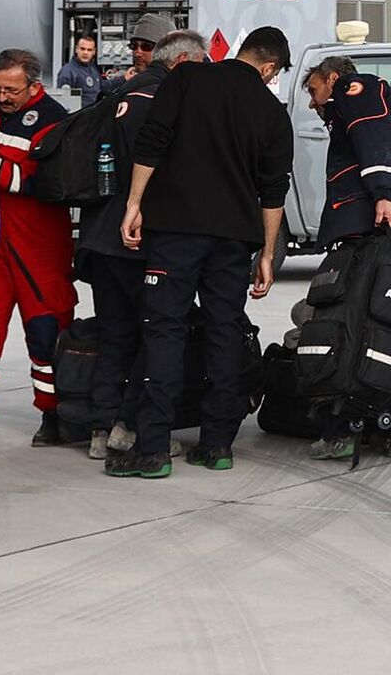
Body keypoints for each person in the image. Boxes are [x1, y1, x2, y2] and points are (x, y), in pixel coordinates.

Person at [116, 25, 294, 478]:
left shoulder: (187, 78)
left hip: (174, 229)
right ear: (269, 66)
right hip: (234, 239)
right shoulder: (273, 112)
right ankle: (217, 445)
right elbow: (273, 191)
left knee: (165, 330)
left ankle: (153, 449)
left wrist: (134, 204)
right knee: (224, 333)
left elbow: (152, 141)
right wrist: (268, 254)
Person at [77, 29, 206, 461]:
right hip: (138, 234)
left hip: (98, 233)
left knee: (115, 334)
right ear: (184, 62)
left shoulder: (120, 93)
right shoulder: (166, 100)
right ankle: (130, 427)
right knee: (155, 333)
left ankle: (100, 428)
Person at [304, 50, 391, 461]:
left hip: (377, 231)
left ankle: (341, 431)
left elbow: (373, 136)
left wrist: (384, 195)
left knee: (351, 326)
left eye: (313, 90)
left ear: (331, 78)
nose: (313, 102)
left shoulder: (355, 88)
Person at [0, 50, 74, 452]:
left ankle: (55, 415)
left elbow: (37, 183)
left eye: (12, 90)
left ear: (34, 86)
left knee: (46, 332)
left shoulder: (56, 119)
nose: (2, 97)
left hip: (39, 247)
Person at [56, 34, 104, 109]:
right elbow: (63, 102)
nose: (85, 52)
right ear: (76, 49)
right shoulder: (67, 72)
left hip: (93, 114)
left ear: (94, 52)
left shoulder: (93, 68)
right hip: (79, 116)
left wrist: (123, 78)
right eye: (82, 49)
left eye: (89, 50)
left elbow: (103, 86)